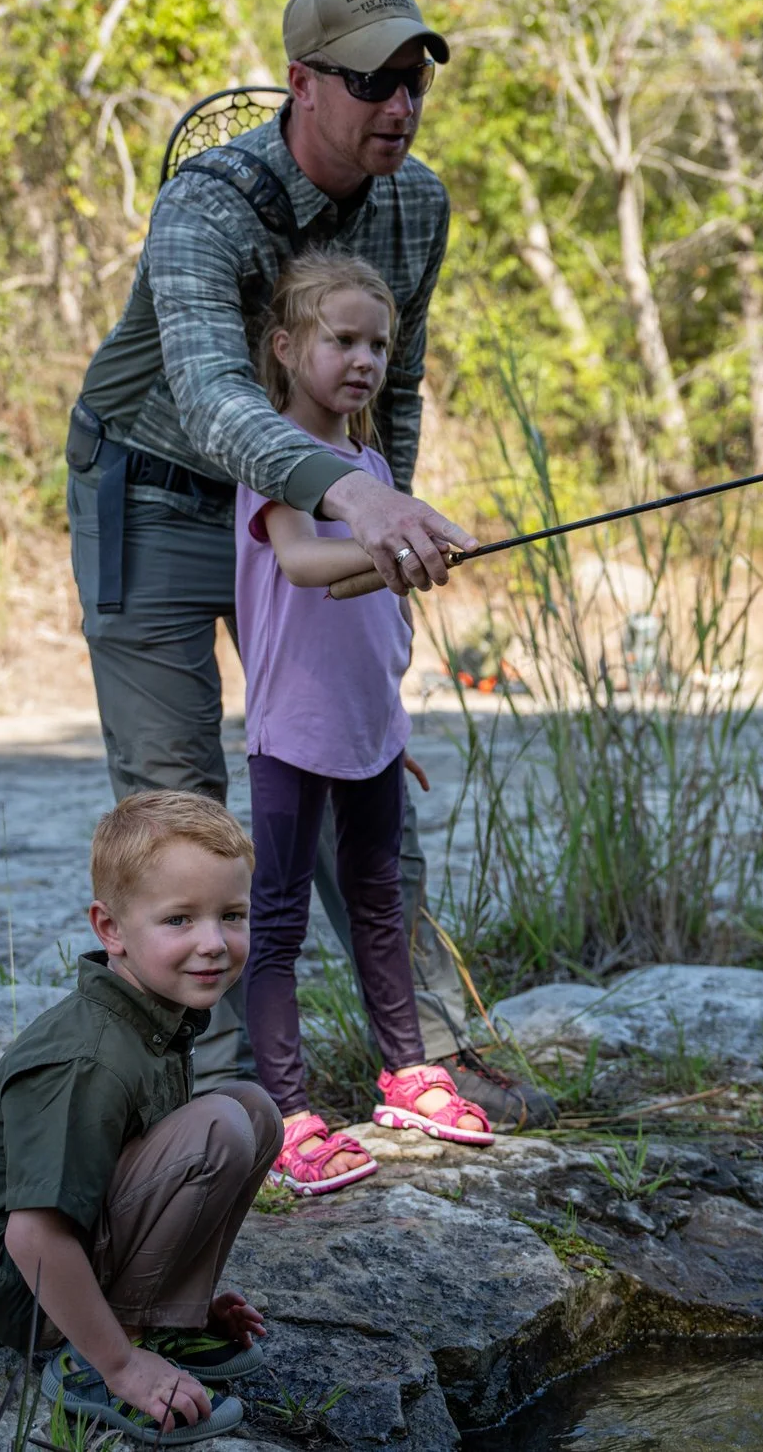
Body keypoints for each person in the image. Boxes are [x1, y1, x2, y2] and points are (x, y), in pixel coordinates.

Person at [62, 0, 552, 1127]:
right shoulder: (206, 204)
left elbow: (401, 390)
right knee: (180, 807)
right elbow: (215, 395)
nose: (399, 104)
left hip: (327, 506)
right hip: (156, 492)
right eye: (371, 80)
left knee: (357, 767)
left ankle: (430, 1051)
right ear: (301, 84)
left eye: (414, 81)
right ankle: (221, 1088)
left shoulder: (414, 203)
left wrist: (390, 550)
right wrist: (354, 502)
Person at [235, 252, 495, 1194]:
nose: (363, 360)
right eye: (342, 339)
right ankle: (287, 1110)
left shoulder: (375, 466)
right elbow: (306, 564)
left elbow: (368, 602)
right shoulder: (275, 461)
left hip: (368, 734)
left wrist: (390, 712)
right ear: (286, 345)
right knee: (278, 923)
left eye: (378, 344)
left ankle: (405, 1072)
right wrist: (384, 536)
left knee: (382, 905)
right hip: (291, 736)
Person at [0, 792, 281, 1446]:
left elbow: (134, 1172)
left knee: (254, 1111)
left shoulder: (151, 1013)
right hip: (31, 1291)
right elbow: (32, 1235)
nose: (213, 943)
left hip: (69, 1257)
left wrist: (187, 1293)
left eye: (231, 914)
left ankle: (165, 1320)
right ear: (112, 928)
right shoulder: (90, 1054)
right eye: (179, 919)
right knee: (218, 1126)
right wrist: (122, 1364)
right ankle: (95, 1361)